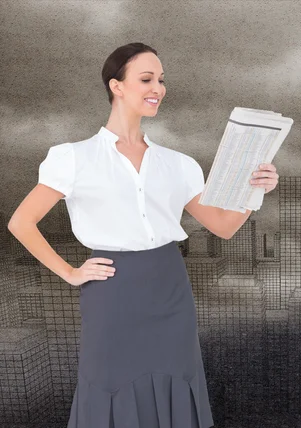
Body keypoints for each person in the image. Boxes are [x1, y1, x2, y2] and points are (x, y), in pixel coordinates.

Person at [7, 42, 279, 427]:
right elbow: (21, 222)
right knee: (109, 383)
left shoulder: (178, 164)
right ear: (116, 86)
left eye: (162, 80)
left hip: (170, 289)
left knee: (177, 382)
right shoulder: (72, 158)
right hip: (112, 291)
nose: (158, 88)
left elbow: (223, 225)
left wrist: (255, 192)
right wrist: (70, 273)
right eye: (146, 79)